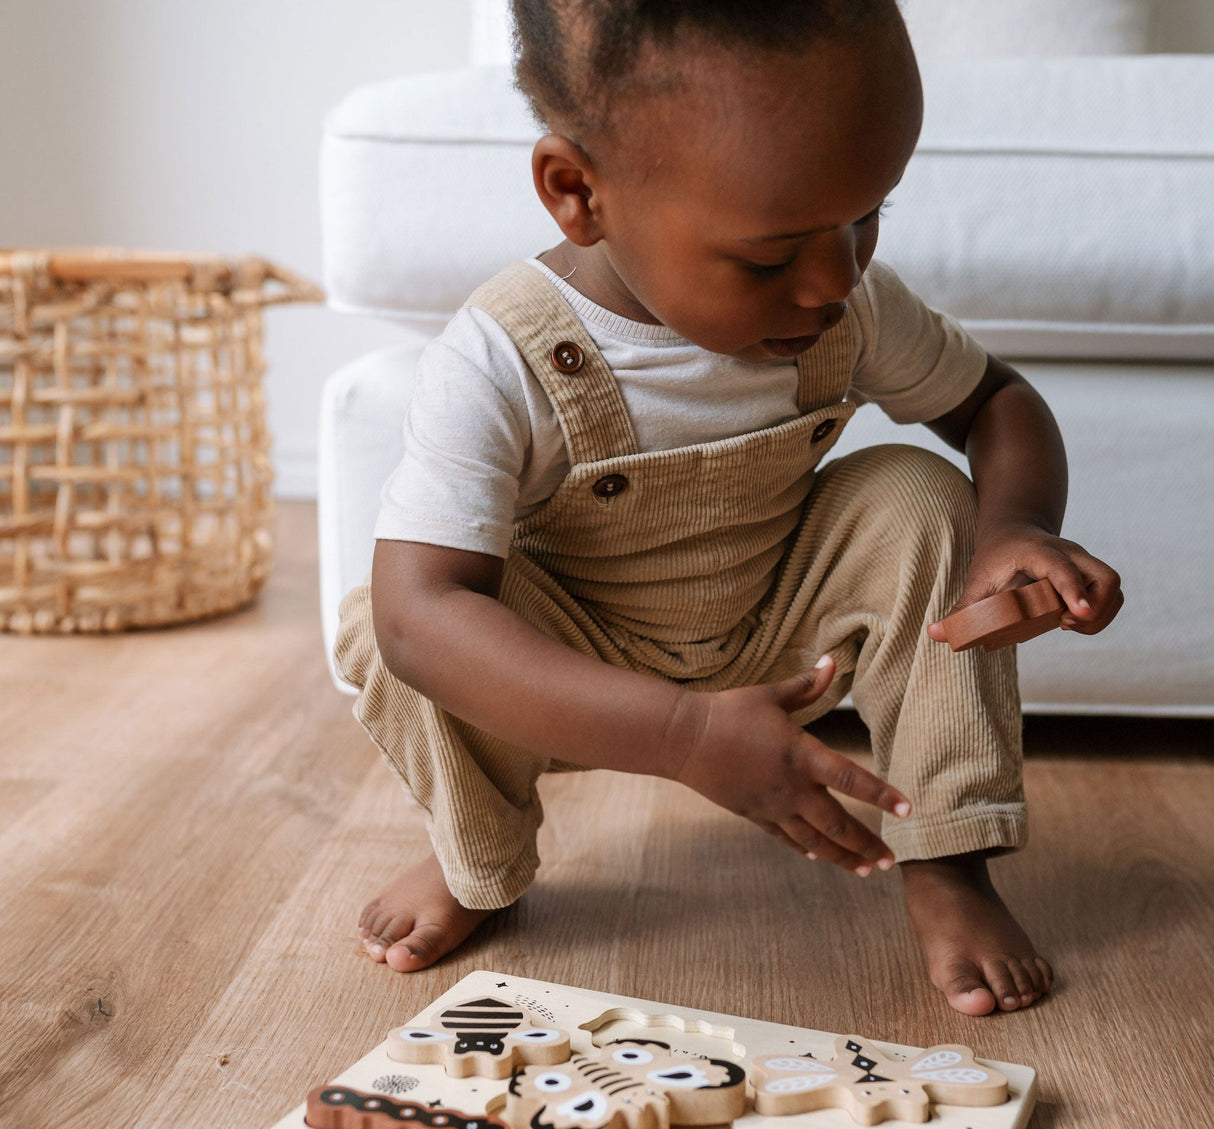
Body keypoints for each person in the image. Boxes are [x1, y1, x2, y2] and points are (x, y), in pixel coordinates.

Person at [335, 0, 1122, 1016]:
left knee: (921, 494)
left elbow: (999, 403)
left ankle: (949, 859)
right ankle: (476, 857)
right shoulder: (501, 356)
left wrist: (1015, 529)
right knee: (385, 625)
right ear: (577, 193)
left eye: (865, 218)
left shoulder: (850, 300)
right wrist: (677, 733)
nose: (832, 281)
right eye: (767, 256)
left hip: (775, 620)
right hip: (575, 671)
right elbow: (418, 613)